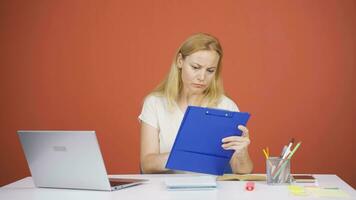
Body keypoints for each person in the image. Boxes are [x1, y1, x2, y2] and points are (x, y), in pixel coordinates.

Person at [139, 33, 253, 174]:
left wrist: (242, 153)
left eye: (210, 71)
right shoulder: (155, 103)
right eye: (195, 67)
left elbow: (242, 171)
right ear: (180, 61)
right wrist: (191, 155)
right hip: (167, 192)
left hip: (212, 192)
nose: (202, 77)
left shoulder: (226, 107)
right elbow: (147, 164)